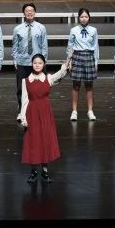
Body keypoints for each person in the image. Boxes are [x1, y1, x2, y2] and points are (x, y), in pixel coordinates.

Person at [18, 53, 71, 182]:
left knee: (45, 140)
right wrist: (23, 117)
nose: (37, 65)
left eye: (40, 63)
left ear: (44, 64)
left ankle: (45, 171)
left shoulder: (48, 78)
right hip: (32, 113)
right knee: (33, 140)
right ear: (32, 64)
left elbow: (60, 75)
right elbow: (24, 100)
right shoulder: (26, 81)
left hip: (45, 113)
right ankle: (34, 171)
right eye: (35, 63)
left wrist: (66, 63)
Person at [11, 3, 49, 118]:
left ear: (35, 12)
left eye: (31, 10)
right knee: (21, 89)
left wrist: (43, 61)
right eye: (27, 10)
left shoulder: (41, 27)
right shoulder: (17, 29)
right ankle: (21, 111)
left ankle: (38, 111)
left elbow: (44, 46)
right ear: (24, 13)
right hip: (22, 62)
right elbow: (14, 46)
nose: (29, 12)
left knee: (39, 88)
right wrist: (15, 60)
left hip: (37, 64)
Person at [67, 8, 100, 121]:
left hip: (89, 56)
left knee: (89, 86)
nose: (84, 19)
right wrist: (69, 61)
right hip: (77, 56)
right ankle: (74, 111)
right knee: (76, 85)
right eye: (82, 16)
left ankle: (90, 111)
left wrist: (96, 62)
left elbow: (96, 46)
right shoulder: (74, 30)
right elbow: (70, 46)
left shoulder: (93, 30)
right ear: (78, 18)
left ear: (89, 18)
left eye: (86, 16)